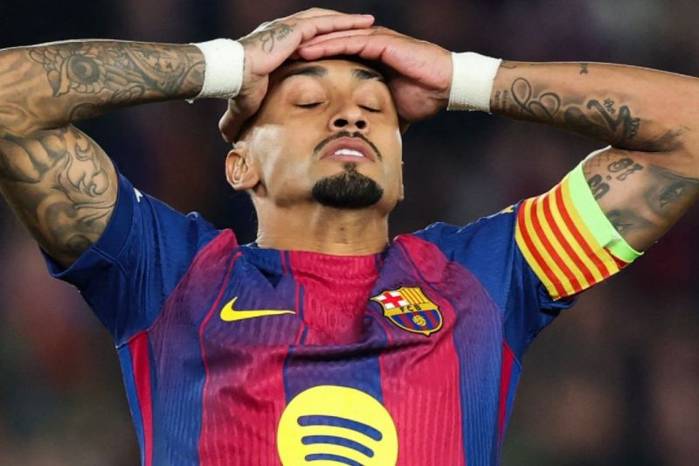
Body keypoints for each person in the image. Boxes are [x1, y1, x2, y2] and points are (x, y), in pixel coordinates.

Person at [0, 7, 697, 466]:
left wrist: (465, 78)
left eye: (374, 107)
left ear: (401, 171)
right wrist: (227, 66)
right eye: (307, 101)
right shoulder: (167, 272)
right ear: (239, 164)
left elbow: (688, 136)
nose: (350, 116)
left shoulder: (488, 276)